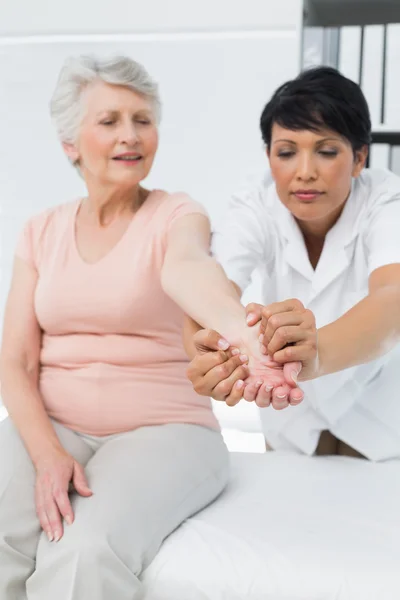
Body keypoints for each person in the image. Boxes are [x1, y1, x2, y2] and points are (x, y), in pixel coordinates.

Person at [0, 54, 304, 600]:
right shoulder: (39, 231)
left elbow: (189, 269)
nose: (131, 135)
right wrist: (47, 454)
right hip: (55, 426)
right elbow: (16, 361)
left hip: (165, 431)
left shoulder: (177, 215)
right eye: (110, 120)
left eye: (143, 119)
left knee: (82, 550)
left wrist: (242, 331)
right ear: (70, 143)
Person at [186, 66, 400, 461]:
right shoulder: (255, 205)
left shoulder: (387, 201)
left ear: (359, 159)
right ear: (269, 157)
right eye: (286, 152)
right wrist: (207, 357)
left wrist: (316, 355)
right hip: (290, 414)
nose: (304, 172)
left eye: (326, 151)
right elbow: (211, 288)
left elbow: (393, 296)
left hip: (380, 406)